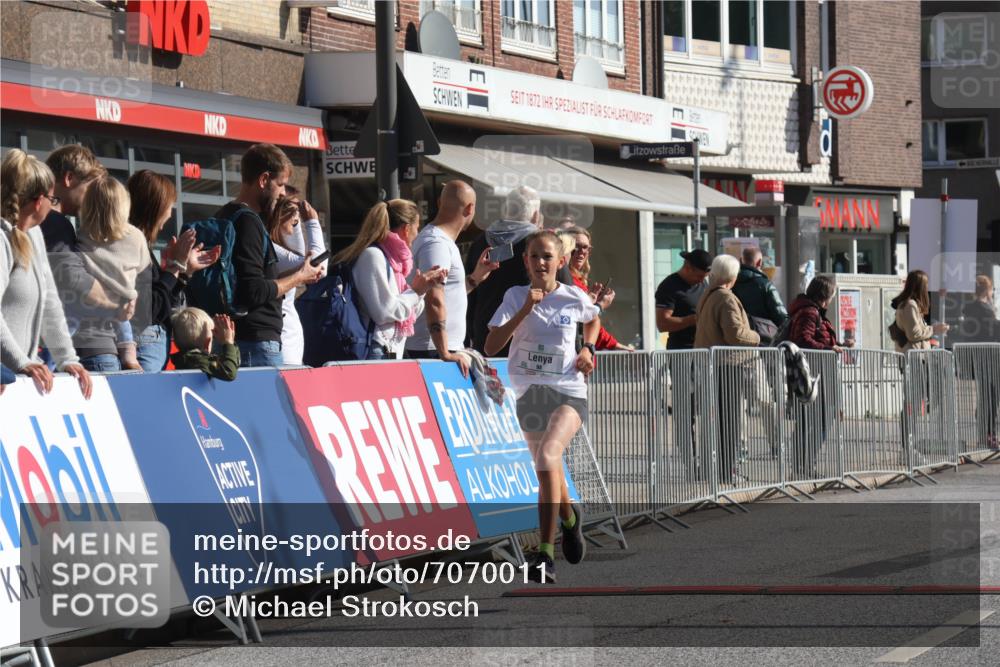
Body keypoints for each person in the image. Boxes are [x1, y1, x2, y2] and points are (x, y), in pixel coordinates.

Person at [485, 230, 598, 583]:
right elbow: (491, 345)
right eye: (534, 256)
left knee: (549, 457)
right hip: (529, 394)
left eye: (547, 256)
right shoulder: (515, 295)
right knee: (548, 469)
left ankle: (545, 554)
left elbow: (593, 318)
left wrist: (588, 349)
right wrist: (525, 310)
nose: (540, 263)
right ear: (525, 261)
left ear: (560, 262)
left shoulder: (572, 297)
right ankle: (570, 517)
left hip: (567, 391)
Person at [217, 143, 322, 367]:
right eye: (281, 184)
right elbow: (253, 290)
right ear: (264, 180)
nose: (283, 192)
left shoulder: (224, 215)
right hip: (256, 344)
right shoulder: (249, 222)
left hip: (235, 340)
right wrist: (300, 277)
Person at [0, 149, 92, 398]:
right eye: (53, 200)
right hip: (7, 379)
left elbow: (50, 300)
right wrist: (22, 362)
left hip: (19, 381)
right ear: (39, 201)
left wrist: (67, 358)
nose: (54, 206)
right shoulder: (1, 239)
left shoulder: (34, 234)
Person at [126, 170, 220, 372]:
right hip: (143, 348)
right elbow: (149, 309)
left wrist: (183, 272)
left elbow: (163, 300)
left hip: (149, 347)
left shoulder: (139, 243)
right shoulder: (132, 243)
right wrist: (175, 266)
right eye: (169, 206)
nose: (170, 214)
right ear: (156, 207)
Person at [334, 199, 447, 360]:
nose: (417, 234)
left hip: (389, 350)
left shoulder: (395, 263)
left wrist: (422, 289)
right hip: (375, 349)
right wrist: (415, 292)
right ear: (407, 229)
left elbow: (408, 312)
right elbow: (384, 312)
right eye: (417, 228)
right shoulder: (373, 256)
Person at [405, 181, 497, 375]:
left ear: (440, 202)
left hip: (436, 348)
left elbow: (446, 295)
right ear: (470, 208)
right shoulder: (436, 243)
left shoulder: (438, 241)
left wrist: (475, 278)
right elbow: (434, 299)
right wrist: (444, 352)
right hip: (431, 350)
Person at [71, 174, 150, 372]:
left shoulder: (82, 236)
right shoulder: (136, 236)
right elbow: (142, 266)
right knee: (124, 325)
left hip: (90, 321)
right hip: (125, 303)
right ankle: (129, 353)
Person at [696, 255, 760, 485]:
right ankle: (727, 472)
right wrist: (757, 335)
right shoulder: (726, 298)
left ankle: (721, 471)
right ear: (733, 277)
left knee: (722, 422)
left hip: (715, 365)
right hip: (729, 365)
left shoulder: (708, 295)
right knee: (730, 422)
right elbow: (736, 335)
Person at [465, 185, 545, 356]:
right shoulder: (538, 246)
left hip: (483, 333)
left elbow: (470, 292)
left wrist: (471, 333)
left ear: (505, 211)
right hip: (525, 336)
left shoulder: (480, 242)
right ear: (536, 215)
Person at [786, 275, 847, 476]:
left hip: (816, 373)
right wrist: (830, 348)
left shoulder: (810, 311)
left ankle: (804, 466)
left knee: (812, 421)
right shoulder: (810, 312)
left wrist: (838, 347)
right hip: (812, 375)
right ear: (825, 296)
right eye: (831, 295)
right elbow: (802, 340)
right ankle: (803, 467)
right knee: (815, 421)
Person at [265, 195, 327, 365]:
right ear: (280, 217)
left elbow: (299, 252)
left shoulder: (278, 247)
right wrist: (313, 223)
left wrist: (296, 221)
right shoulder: (271, 250)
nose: (295, 225)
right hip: (282, 340)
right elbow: (319, 268)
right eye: (294, 220)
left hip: (289, 338)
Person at [565, 226, 630, 351]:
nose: (582, 251)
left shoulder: (578, 280)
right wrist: (599, 305)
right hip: (572, 357)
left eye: (586, 247)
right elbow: (583, 318)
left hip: (580, 357)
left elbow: (591, 321)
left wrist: (592, 300)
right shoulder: (565, 280)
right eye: (576, 246)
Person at [960, 275, 999, 449]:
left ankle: (985, 434)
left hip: (978, 358)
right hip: (990, 358)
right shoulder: (985, 310)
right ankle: (988, 434)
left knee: (986, 397)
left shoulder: (968, 308)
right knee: (991, 397)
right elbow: (992, 331)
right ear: (987, 290)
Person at [655, 249, 712, 350]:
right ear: (688, 268)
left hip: (703, 348)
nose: (702, 280)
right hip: (682, 351)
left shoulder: (703, 284)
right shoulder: (669, 286)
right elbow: (662, 324)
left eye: (705, 277)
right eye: (699, 276)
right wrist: (692, 319)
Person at [169, 308, 239, 381]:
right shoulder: (198, 361)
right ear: (207, 343)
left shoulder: (186, 359)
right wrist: (228, 343)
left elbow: (233, 364)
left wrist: (231, 343)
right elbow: (229, 372)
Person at [732, 246, 788, 334]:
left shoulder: (731, 283)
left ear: (740, 260)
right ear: (759, 262)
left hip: (738, 336)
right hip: (762, 338)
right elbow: (780, 315)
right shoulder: (766, 285)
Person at [891, 270, 948, 353]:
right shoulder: (910, 305)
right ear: (921, 286)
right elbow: (914, 334)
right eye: (926, 284)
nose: (927, 288)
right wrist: (934, 329)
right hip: (913, 358)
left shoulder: (910, 304)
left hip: (915, 357)